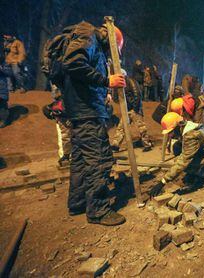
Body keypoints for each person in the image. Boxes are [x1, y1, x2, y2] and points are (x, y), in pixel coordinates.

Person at [62, 21, 127, 226]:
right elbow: (73, 64)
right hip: (87, 111)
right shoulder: (87, 35)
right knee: (98, 159)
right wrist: (106, 81)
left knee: (81, 159)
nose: (110, 53)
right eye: (112, 50)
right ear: (111, 40)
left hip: (81, 111)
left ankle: (78, 202)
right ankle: (98, 210)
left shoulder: (87, 39)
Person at [149, 112, 204, 196]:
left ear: (179, 126)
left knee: (182, 163)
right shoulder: (186, 128)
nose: (170, 135)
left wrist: (163, 182)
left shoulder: (191, 135)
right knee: (177, 146)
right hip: (203, 153)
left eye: (171, 132)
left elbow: (183, 161)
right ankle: (196, 172)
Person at [112, 73, 153, 152]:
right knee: (121, 127)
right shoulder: (121, 84)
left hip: (135, 109)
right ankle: (115, 144)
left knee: (141, 127)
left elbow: (137, 94)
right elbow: (117, 97)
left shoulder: (131, 81)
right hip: (126, 109)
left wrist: (135, 108)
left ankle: (147, 144)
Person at [0, 50, 12, 127]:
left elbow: (9, 72)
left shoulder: (4, 63)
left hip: (1, 89)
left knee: (2, 104)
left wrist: (1, 69)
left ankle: (5, 120)